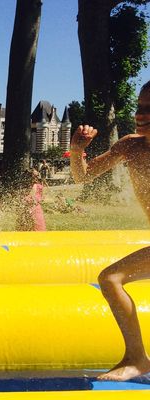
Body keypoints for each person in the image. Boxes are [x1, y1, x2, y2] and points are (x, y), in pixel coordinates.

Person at [70, 81, 150, 381]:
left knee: (110, 277)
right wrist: (77, 151)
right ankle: (137, 359)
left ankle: (137, 359)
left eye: (149, 109)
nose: (140, 115)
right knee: (110, 278)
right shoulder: (130, 145)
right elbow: (83, 177)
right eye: (140, 108)